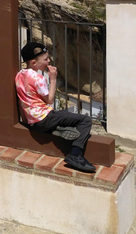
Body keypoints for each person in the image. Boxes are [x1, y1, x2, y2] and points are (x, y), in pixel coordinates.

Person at [16, 42, 96, 173]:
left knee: (63, 114)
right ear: (34, 63)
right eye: (45, 59)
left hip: (33, 122)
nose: (49, 61)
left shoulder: (20, 75)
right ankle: (75, 154)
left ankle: (60, 128)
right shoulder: (38, 78)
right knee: (85, 120)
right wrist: (53, 78)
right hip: (45, 118)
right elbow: (49, 100)